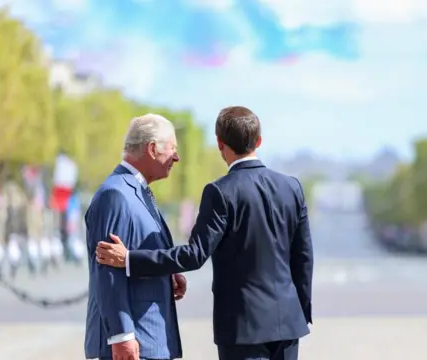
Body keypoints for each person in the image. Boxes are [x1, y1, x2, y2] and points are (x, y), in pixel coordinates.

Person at [96, 106, 314, 360]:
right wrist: (301, 311)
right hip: (289, 324)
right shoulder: (292, 187)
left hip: (242, 327)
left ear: (220, 144)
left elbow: (194, 255)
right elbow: (304, 258)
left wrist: (130, 259)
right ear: (259, 141)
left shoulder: (221, 192)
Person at [84, 114, 188, 360]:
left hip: (148, 341)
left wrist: (166, 274)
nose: (176, 157)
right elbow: (107, 271)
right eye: (172, 149)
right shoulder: (116, 195)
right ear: (152, 149)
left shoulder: (136, 192)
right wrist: (121, 335)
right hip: (134, 344)